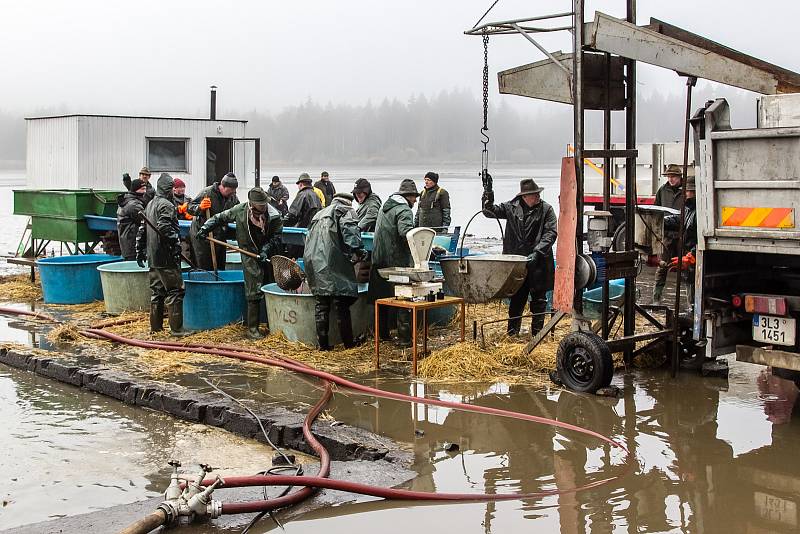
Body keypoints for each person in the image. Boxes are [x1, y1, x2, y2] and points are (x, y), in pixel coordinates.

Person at [197, 187, 283, 339]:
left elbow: (276, 236)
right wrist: (205, 228)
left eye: (264, 204)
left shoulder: (274, 215)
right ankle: (252, 329)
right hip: (248, 252)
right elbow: (219, 218)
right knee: (253, 289)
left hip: (269, 254)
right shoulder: (240, 210)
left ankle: (273, 324)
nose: (263, 207)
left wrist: (265, 250)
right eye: (260, 205)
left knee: (271, 285)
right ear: (252, 203)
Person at [482, 178, 557, 337]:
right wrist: (488, 192)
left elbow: (551, 233)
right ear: (524, 196)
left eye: (538, 194)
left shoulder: (547, 209)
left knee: (539, 300)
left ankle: (538, 335)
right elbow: (488, 212)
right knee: (516, 299)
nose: (537, 197)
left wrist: (538, 251)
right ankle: (512, 334)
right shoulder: (510, 207)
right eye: (533, 195)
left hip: (540, 262)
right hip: (516, 264)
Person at [305, 192, 367, 350]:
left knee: (321, 304)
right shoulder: (344, 211)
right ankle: (348, 344)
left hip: (313, 260)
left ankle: (323, 346)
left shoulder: (319, 214)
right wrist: (359, 250)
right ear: (348, 202)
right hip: (333, 261)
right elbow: (350, 232)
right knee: (341, 303)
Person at [369, 179, 420, 344]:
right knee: (403, 298)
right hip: (396, 262)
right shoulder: (405, 210)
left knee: (382, 300)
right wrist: (422, 248)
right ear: (408, 196)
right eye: (414, 197)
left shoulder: (385, 208)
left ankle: (382, 335)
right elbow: (406, 234)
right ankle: (405, 338)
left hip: (378, 260)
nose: (415, 201)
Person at [135, 173, 187, 336]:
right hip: (165, 256)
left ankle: (156, 328)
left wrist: (140, 250)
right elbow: (165, 228)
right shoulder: (166, 205)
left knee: (157, 293)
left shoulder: (150, 204)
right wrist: (176, 244)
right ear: (169, 188)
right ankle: (177, 330)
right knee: (175, 291)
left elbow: (142, 230)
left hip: (153, 256)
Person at [187, 172, 239, 271]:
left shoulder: (232, 197)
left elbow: (237, 211)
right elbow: (189, 208)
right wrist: (200, 207)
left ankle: (218, 285)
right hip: (203, 235)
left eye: (234, 190)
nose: (233, 192)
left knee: (219, 266)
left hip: (220, 235)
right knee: (205, 266)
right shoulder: (207, 193)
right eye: (231, 190)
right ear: (223, 187)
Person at [652, 164, 685, 304]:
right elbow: (656, 210)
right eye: (669, 176)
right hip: (666, 234)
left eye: (674, 176)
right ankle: (656, 299)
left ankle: (691, 302)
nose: (671, 179)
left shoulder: (686, 191)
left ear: (679, 177)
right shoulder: (662, 190)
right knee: (662, 267)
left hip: (682, 235)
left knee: (686, 268)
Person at [665, 175, 698, 306]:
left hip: (696, 261)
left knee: (695, 298)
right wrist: (661, 221)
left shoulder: (700, 211)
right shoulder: (688, 208)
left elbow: (702, 238)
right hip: (689, 261)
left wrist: (693, 255)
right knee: (690, 293)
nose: (684, 193)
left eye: (687, 191)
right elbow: (679, 219)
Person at [116, 179, 147, 261]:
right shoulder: (133, 205)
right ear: (135, 190)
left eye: (145, 189)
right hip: (132, 242)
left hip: (127, 242)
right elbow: (146, 221)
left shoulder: (127, 201)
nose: (144, 192)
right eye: (142, 189)